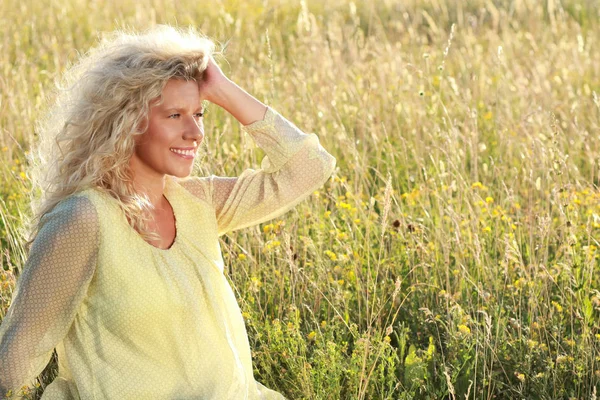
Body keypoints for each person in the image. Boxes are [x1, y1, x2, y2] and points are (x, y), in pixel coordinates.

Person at [0, 25, 336, 399]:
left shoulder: (197, 202)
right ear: (126, 122)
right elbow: (13, 363)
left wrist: (221, 88)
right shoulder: (82, 219)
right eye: (174, 115)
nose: (195, 132)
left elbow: (309, 167)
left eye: (200, 114)